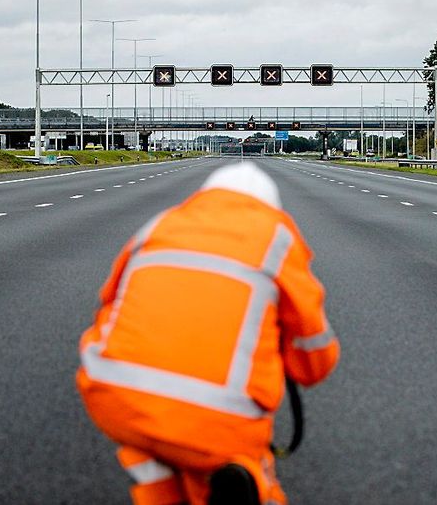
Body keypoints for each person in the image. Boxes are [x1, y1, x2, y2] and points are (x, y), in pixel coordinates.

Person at [76, 162, 339, 505]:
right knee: (238, 465)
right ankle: (244, 485)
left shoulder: (160, 224)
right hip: (221, 415)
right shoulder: (276, 238)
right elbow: (313, 357)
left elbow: (109, 301)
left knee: (156, 443)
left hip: (112, 391)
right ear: (269, 206)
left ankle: (167, 491)